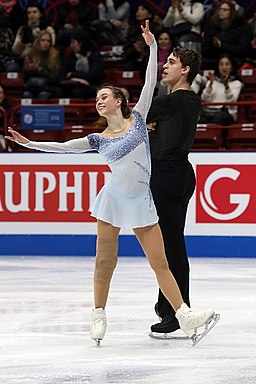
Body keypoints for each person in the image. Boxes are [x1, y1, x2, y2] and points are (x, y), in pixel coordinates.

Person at [5, 21, 219, 346]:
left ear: (119, 101)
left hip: (142, 200)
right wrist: (29, 143)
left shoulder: (138, 120)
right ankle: (99, 313)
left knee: (160, 262)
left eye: (104, 96)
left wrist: (151, 47)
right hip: (114, 199)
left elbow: (150, 81)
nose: (98, 101)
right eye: (96, 99)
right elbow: (62, 148)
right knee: (105, 261)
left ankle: (184, 315)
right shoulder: (97, 139)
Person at [146, 46, 204, 336]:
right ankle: (169, 306)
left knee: (168, 246)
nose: (164, 66)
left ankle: (177, 310)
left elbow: (131, 115)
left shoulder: (169, 101)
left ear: (185, 70)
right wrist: (153, 131)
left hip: (167, 175)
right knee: (171, 244)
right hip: (181, 173)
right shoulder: (190, 101)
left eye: (171, 62)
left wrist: (147, 126)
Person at [199, 53, 243, 125]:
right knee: (200, 123)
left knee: (216, 123)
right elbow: (204, 99)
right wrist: (210, 85)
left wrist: (226, 86)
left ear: (231, 67)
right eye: (221, 64)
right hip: (209, 112)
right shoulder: (212, 81)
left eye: (227, 64)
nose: (224, 67)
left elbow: (231, 102)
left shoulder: (237, 83)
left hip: (227, 113)